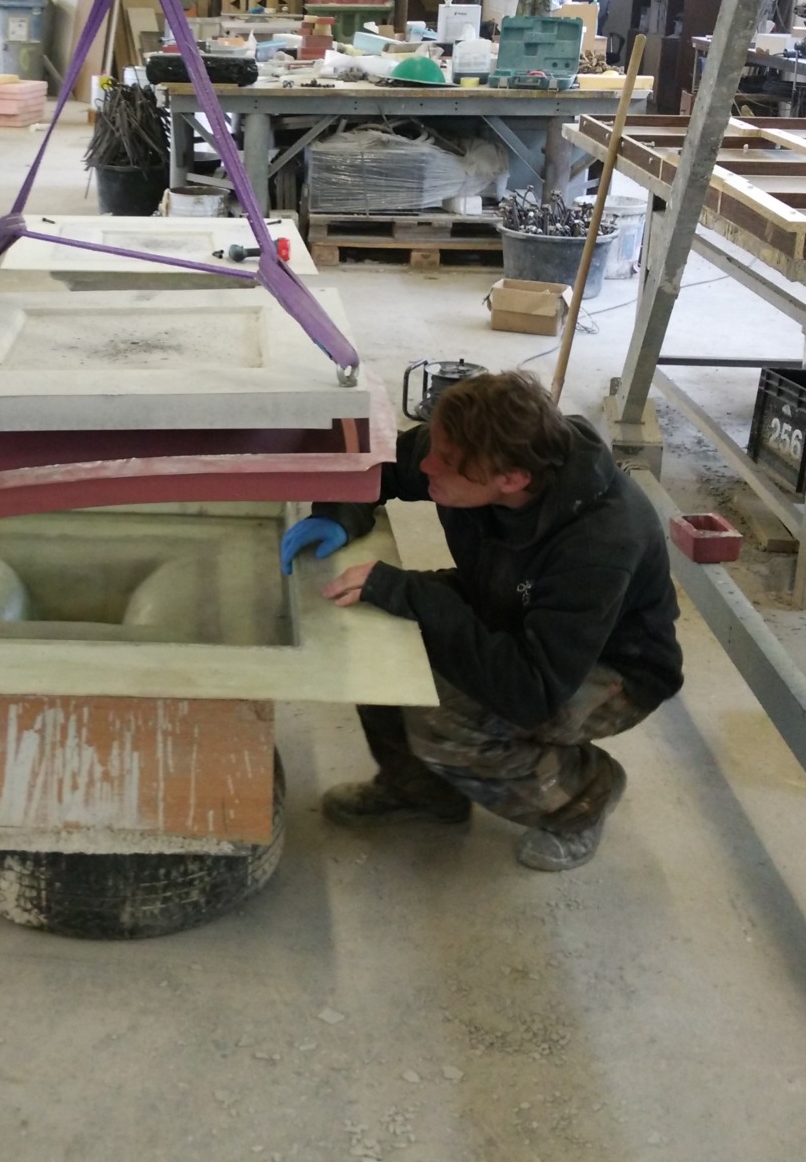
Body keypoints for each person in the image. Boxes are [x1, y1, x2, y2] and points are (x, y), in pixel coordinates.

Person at [280, 370, 682, 871]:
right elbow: (388, 463)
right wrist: (339, 513)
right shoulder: (478, 445)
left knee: (445, 723)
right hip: (507, 602)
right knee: (377, 642)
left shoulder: (599, 545)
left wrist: (417, 596)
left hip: (607, 666)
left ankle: (583, 796)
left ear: (511, 480)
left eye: (447, 462)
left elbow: (530, 692)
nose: (428, 464)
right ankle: (423, 792)